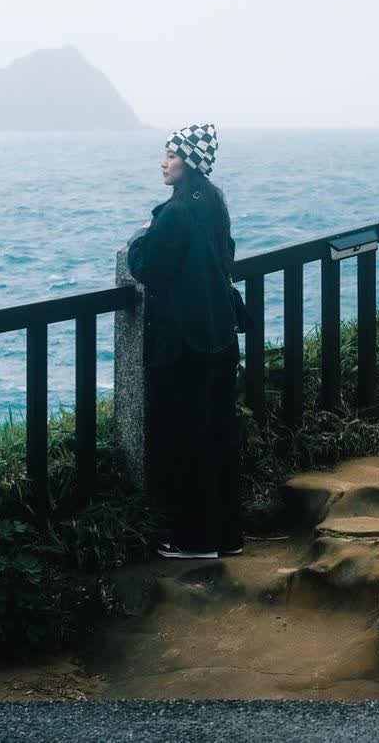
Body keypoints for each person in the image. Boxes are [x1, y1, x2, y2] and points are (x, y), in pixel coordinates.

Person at [125, 122, 245, 560]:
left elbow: (148, 267)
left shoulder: (175, 213)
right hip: (219, 334)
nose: (164, 162)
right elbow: (226, 254)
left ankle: (194, 539)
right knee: (218, 432)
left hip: (183, 342)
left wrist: (139, 237)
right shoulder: (213, 201)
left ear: (190, 163)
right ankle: (227, 535)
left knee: (184, 437)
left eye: (172, 155)